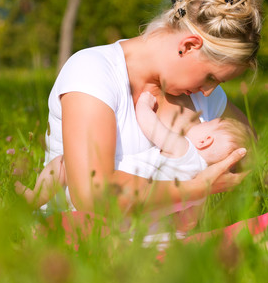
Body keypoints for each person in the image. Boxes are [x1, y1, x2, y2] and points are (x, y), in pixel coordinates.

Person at [35, 0, 262, 214]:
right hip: (85, 239)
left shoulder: (201, 95)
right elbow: (92, 194)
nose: (208, 93)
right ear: (188, 46)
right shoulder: (94, 71)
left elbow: (250, 151)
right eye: (211, 78)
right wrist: (199, 187)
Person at [15, 90, 253, 215]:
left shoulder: (185, 150)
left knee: (64, 163)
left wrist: (144, 104)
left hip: (108, 184)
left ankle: (35, 197)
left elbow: (152, 128)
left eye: (204, 123)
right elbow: (185, 224)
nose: (199, 121)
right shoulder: (201, 186)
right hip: (128, 211)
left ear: (205, 139)